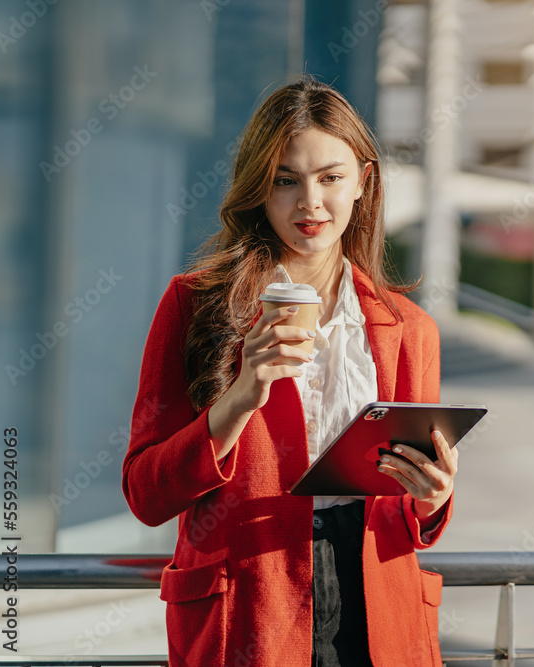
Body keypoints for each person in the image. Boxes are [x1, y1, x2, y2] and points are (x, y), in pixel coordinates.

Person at [121, 77, 457, 667]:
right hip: (252, 604)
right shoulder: (196, 304)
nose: (310, 203)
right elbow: (147, 493)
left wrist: (432, 499)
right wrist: (241, 397)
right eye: (285, 180)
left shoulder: (409, 329)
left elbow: (406, 512)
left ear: (363, 183)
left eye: (331, 177)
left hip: (381, 603)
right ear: (259, 188)